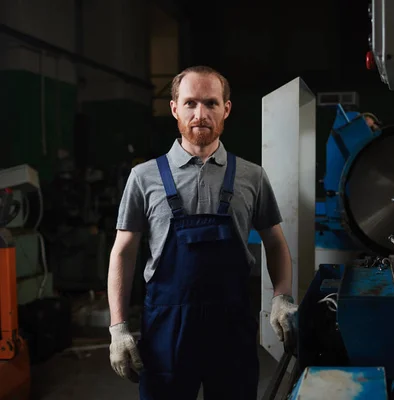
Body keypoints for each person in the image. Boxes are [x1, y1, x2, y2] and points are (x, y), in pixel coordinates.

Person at [106, 65, 298, 400]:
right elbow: (122, 252)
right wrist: (118, 327)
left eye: (210, 103)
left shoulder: (252, 177)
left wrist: (282, 296)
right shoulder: (144, 177)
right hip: (167, 329)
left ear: (226, 109)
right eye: (191, 103)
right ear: (174, 108)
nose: (200, 114)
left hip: (232, 327)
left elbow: (276, 242)